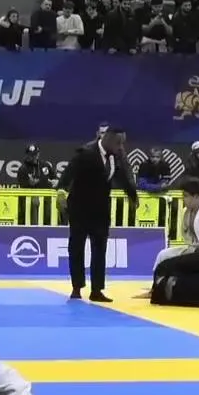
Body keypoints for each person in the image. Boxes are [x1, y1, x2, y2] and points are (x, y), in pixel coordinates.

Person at [58, 127, 139, 303]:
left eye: (122, 143)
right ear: (107, 139)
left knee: (100, 249)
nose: (121, 146)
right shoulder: (86, 152)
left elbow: (123, 177)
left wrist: (133, 196)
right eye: (118, 142)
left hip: (101, 210)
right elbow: (68, 173)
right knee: (77, 247)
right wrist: (61, 192)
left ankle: (97, 290)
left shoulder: (117, 155)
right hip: (79, 208)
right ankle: (76, 287)